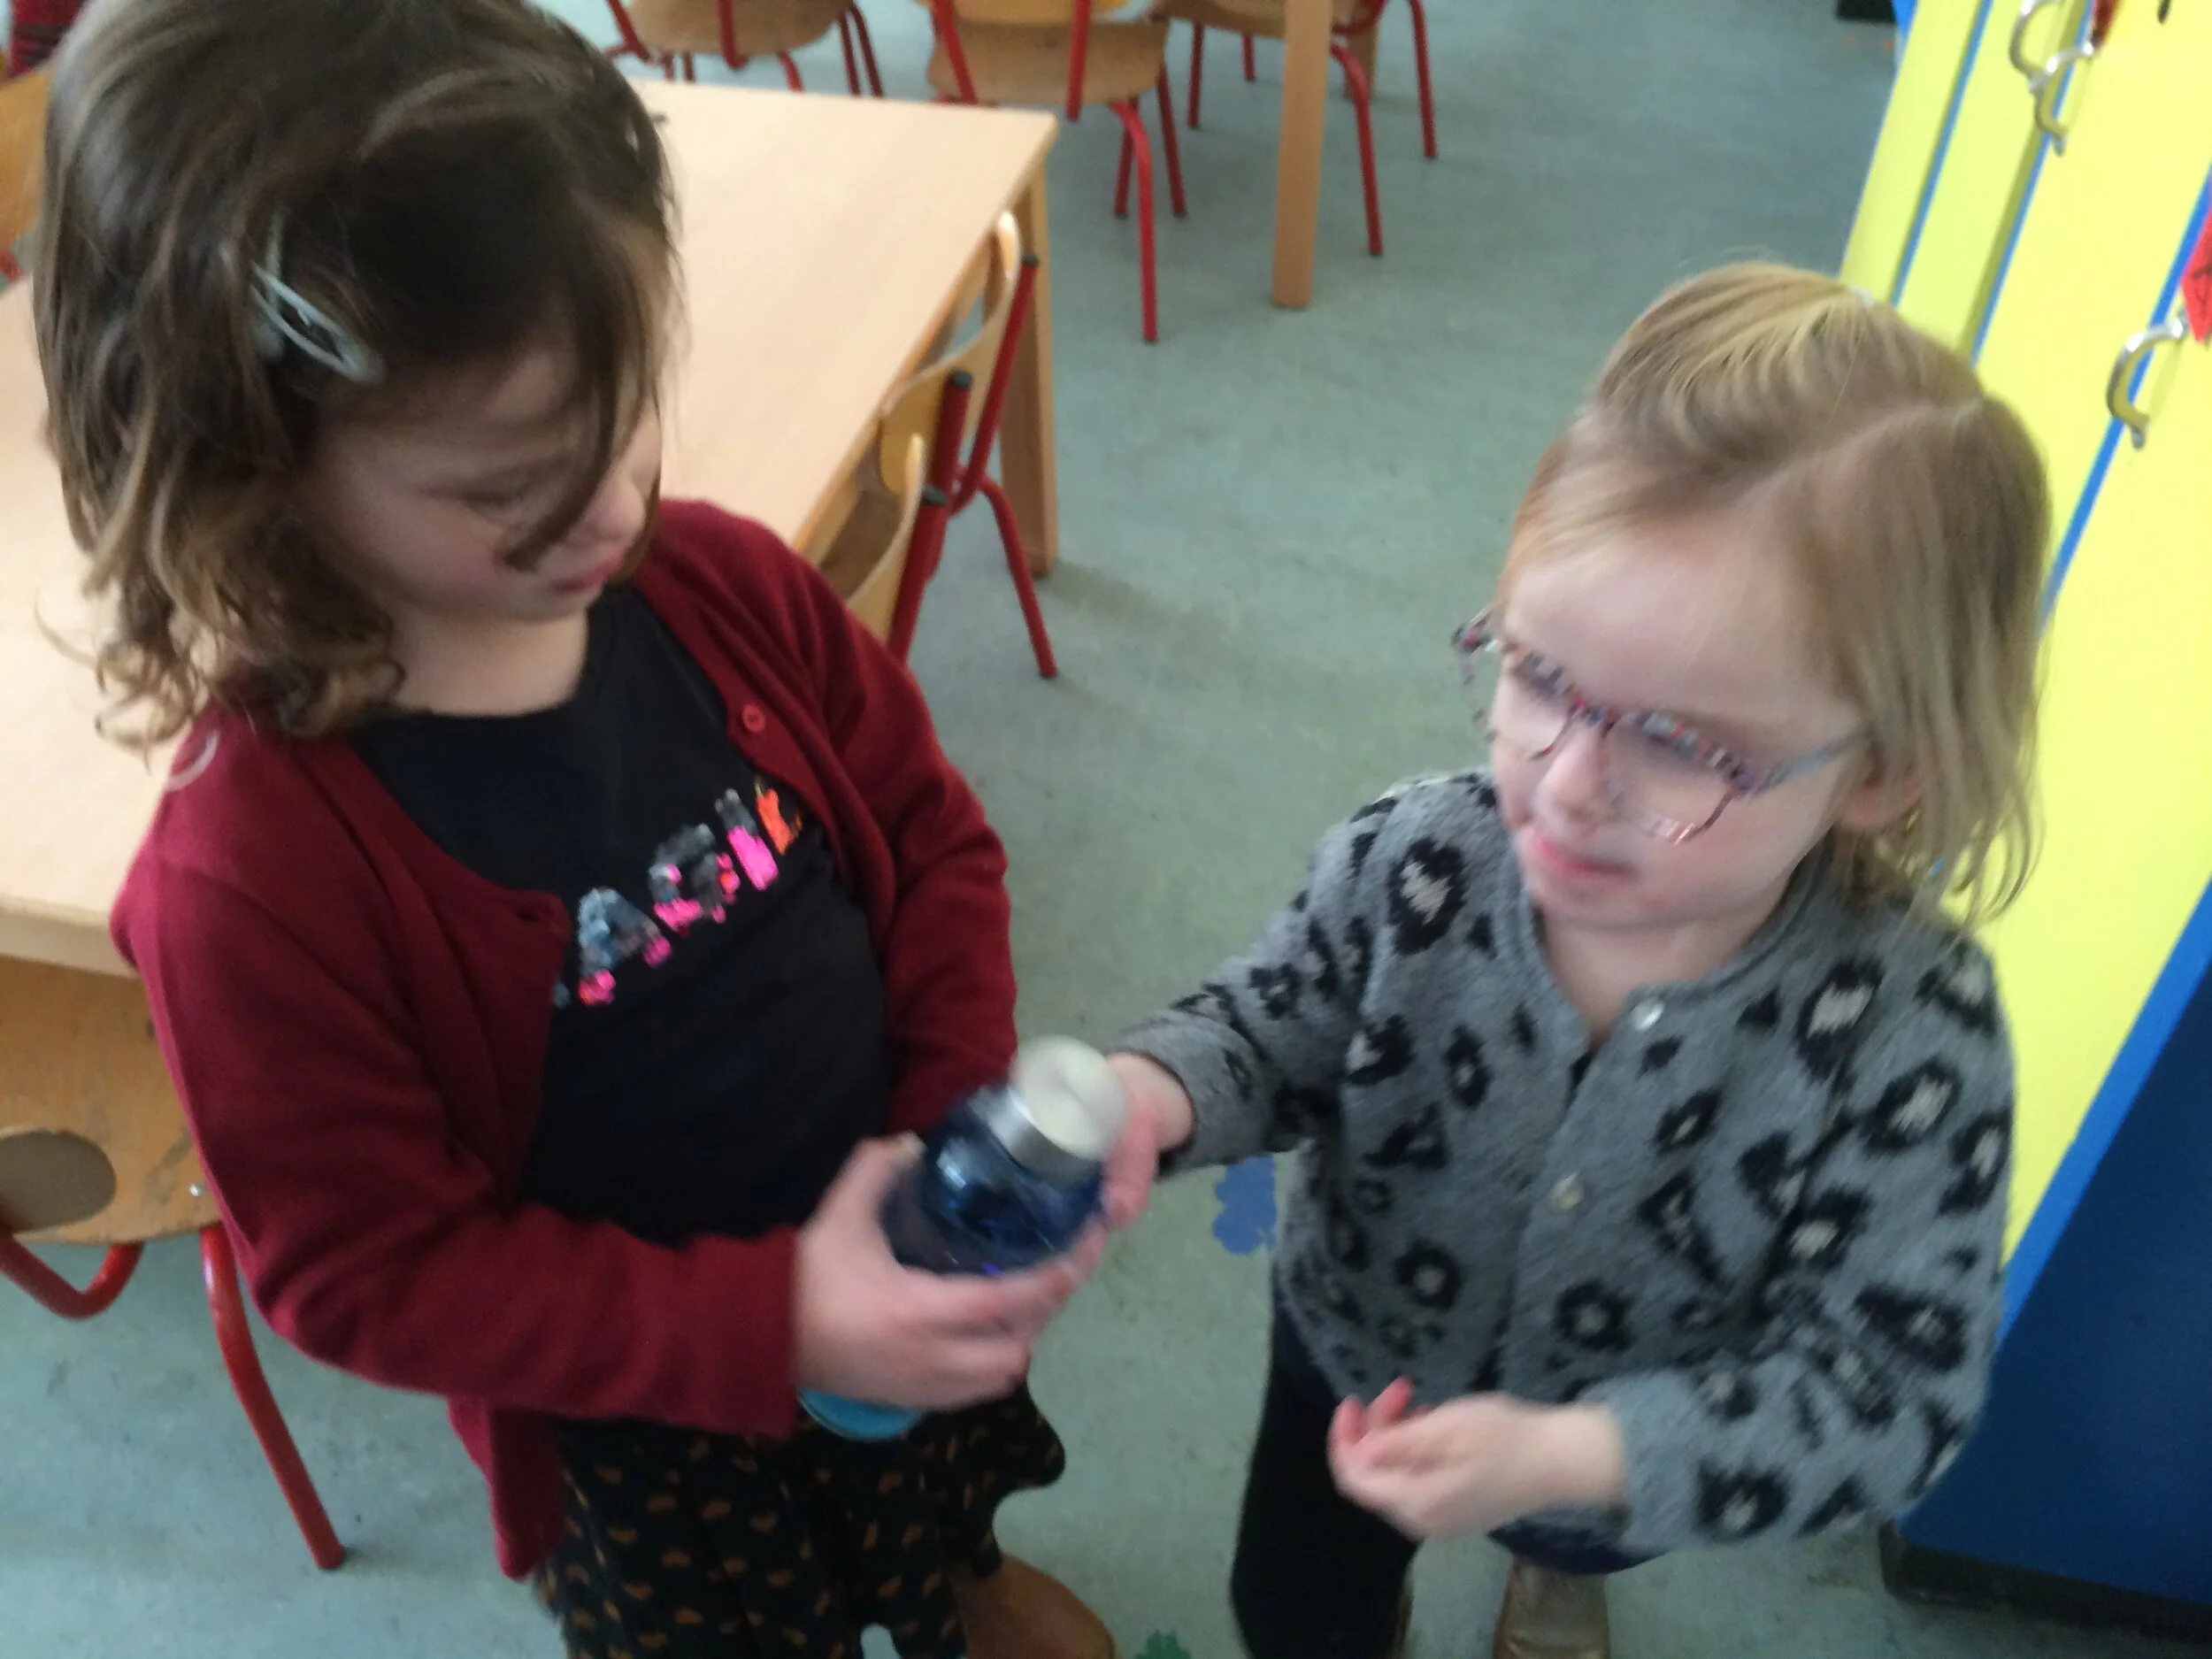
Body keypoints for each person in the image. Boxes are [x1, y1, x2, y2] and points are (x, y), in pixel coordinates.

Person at [34, 1, 1111, 1655]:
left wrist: (932, 1130)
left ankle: (955, 1574)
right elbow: (369, 1273)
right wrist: (778, 1321)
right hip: (649, 1432)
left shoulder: (722, 584)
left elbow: (933, 845)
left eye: (624, 415)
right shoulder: (249, 877)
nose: (613, 506)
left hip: (897, 1252)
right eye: (506, 486)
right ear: (243, 469)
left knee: (934, 1500)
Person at [1102, 265, 2045, 1659]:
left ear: (1881, 771)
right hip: (1353, 1349)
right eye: (1539, 674)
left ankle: (1553, 1566)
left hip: (1622, 1433)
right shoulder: (1416, 858)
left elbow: (1892, 1390)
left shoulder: (1914, 1031)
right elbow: (1270, 1027)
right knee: (1295, 1613)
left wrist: (1580, 1458)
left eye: (1687, 742)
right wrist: (1153, 1092)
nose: (1567, 781)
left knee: (1564, 1529)